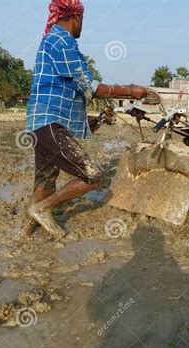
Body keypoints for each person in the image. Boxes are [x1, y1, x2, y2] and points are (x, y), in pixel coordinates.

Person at [20, 0, 148, 241]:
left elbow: (65, 92)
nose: (82, 27)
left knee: (45, 183)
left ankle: (24, 233)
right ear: (75, 17)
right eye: (82, 21)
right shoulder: (62, 41)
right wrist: (131, 91)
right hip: (49, 124)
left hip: (41, 124)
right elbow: (92, 88)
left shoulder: (51, 41)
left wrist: (92, 120)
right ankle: (43, 209)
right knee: (93, 176)